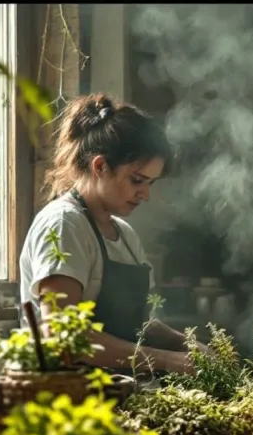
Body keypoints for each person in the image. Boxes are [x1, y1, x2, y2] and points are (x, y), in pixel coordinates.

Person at [19, 92, 206, 377]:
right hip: (67, 396)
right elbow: (62, 338)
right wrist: (168, 361)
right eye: (137, 180)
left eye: (150, 183)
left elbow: (138, 325)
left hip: (118, 389)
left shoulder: (125, 235)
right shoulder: (64, 224)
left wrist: (190, 346)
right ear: (100, 166)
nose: (145, 194)